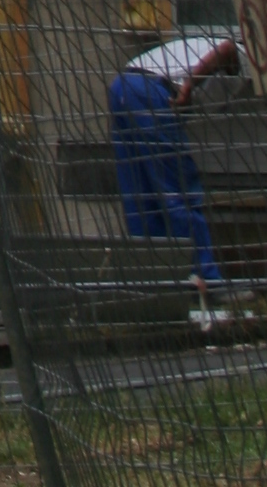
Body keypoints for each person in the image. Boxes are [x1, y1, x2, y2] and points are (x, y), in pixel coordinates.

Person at [107, 30, 240, 323]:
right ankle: (210, 282)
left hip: (123, 86)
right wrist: (191, 83)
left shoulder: (198, 47)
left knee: (141, 191)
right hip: (152, 90)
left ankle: (157, 283)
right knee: (177, 188)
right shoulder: (249, 52)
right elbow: (230, 49)